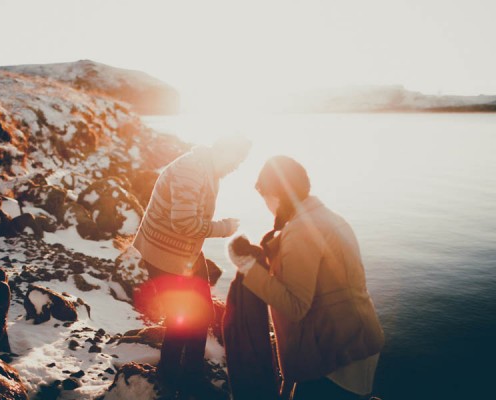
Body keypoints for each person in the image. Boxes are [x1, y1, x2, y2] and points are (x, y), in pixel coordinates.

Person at [228, 155, 384, 400]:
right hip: (355, 338)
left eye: (264, 197)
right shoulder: (327, 218)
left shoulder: (302, 230)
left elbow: (296, 306)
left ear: (275, 194)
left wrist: (247, 266)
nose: (266, 205)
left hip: (339, 354)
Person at [133, 136, 250, 399]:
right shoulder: (192, 170)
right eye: (237, 160)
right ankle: (179, 377)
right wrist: (224, 228)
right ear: (224, 149)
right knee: (183, 319)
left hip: (182, 250)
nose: (236, 167)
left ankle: (184, 373)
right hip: (165, 252)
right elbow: (184, 222)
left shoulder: (206, 167)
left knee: (199, 314)